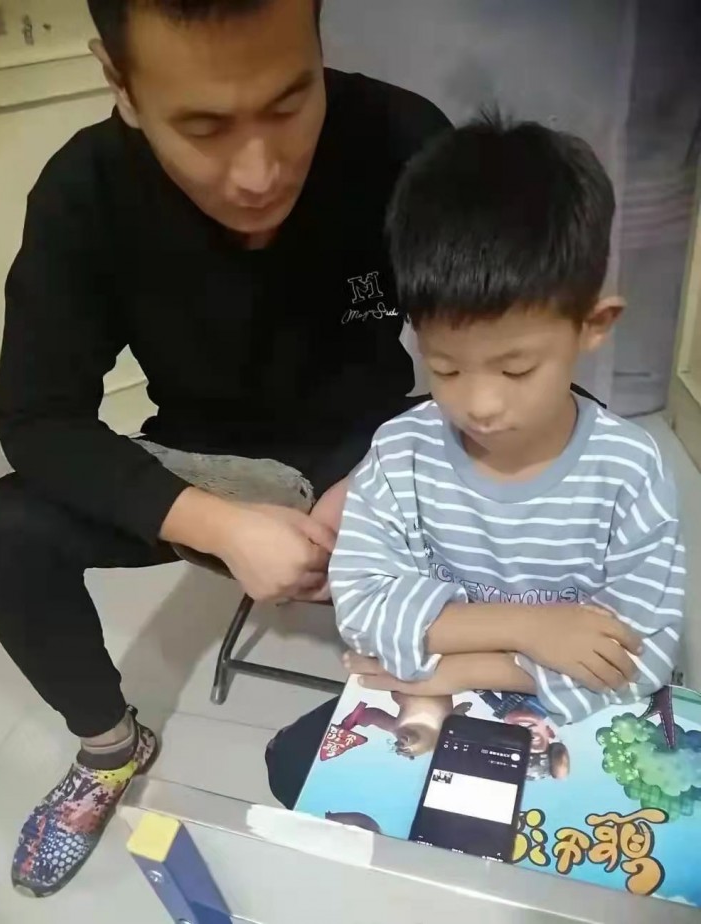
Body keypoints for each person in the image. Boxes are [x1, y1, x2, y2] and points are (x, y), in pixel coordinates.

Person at [0, 0, 452, 898]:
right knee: (6, 530)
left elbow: (494, 337)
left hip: (375, 441)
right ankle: (110, 748)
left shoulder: (402, 138)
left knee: (562, 428)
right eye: (203, 127)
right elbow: (35, 416)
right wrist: (219, 526)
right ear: (120, 84)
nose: (259, 173)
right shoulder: (86, 191)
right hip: (208, 464)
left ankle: (497, 703)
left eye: (289, 103)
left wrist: (385, 469)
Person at [266, 115, 685, 806]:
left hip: (569, 716)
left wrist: (449, 669)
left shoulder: (628, 470)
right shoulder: (402, 452)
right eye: (446, 368)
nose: (479, 405)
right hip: (454, 698)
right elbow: (362, 609)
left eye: (516, 369)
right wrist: (531, 630)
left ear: (593, 325)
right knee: (295, 769)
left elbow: (642, 658)